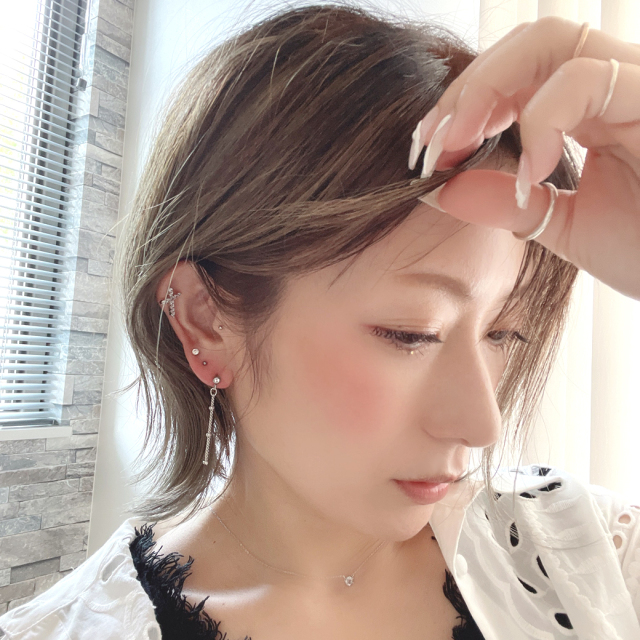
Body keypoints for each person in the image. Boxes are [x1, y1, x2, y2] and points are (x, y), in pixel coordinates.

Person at [1, 4, 639, 639]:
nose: (481, 422)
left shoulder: (591, 557)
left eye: (503, 333)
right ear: (205, 320)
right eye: (411, 333)